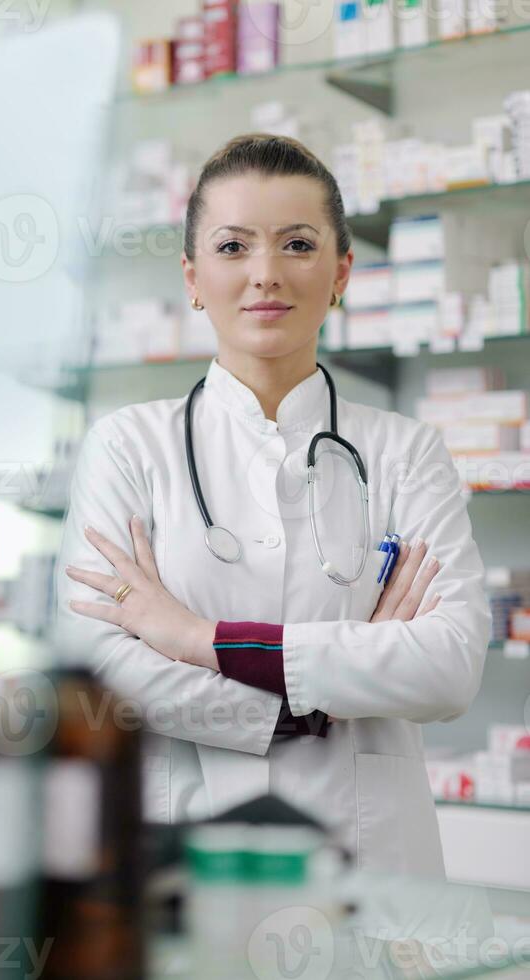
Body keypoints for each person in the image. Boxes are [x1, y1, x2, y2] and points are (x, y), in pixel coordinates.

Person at [55, 133, 491, 878]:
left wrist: (193, 636)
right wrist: (305, 705)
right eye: (232, 248)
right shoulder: (127, 446)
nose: (266, 275)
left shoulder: (406, 452)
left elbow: (449, 667)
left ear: (342, 272)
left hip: (371, 864)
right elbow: (104, 665)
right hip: (186, 847)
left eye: (297, 243)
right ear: (192, 277)